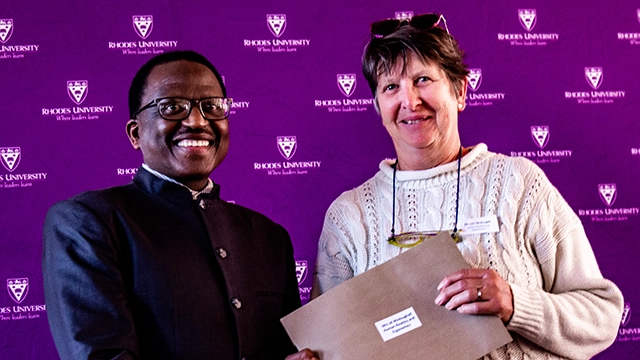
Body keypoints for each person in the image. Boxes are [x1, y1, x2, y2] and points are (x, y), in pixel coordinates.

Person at [311, 13, 623, 359]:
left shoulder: (520, 184)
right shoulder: (349, 217)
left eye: (423, 79)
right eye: (390, 87)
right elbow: (329, 347)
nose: (410, 101)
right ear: (377, 106)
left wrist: (517, 305)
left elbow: (602, 316)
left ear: (460, 90)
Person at [43, 50, 317, 360]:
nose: (197, 121)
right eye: (172, 107)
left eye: (212, 107)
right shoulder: (90, 222)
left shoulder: (270, 238)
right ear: (135, 133)